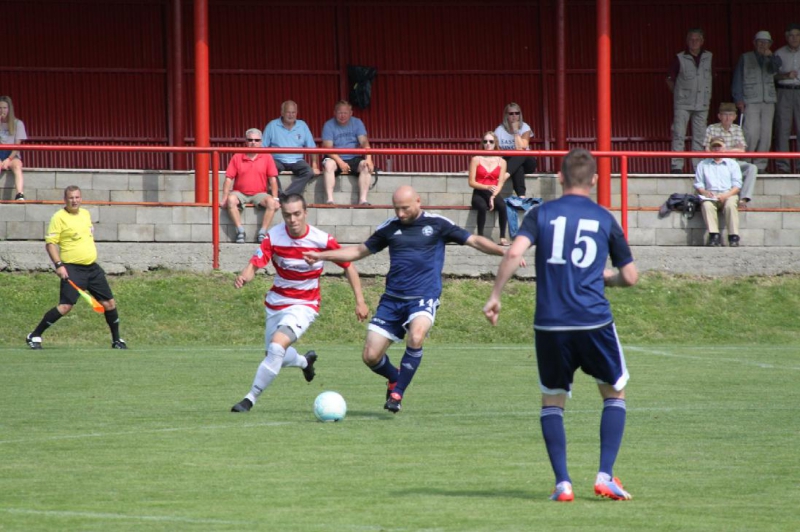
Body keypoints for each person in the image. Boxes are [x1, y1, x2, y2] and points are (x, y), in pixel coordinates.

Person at [483, 148, 638, 503]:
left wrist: (495, 295)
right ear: (594, 180)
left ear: (560, 177)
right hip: (594, 319)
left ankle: (563, 484)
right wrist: (609, 279)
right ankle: (605, 476)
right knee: (614, 393)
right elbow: (630, 276)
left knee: (552, 400)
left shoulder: (541, 213)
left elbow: (513, 253)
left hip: (551, 323)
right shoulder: (604, 218)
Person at [302, 185, 508, 414]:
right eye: (396, 208)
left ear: (418, 201)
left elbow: (475, 240)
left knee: (416, 335)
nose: (400, 213)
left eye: (405, 208)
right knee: (370, 356)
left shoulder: (438, 224)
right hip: (392, 300)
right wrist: (321, 256)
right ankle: (395, 378)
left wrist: (505, 252)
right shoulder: (389, 227)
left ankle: (397, 394)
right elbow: (358, 251)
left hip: (423, 296)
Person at [230, 194, 368, 413]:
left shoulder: (321, 240)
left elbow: (348, 266)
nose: (292, 220)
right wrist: (244, 276)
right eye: (287, 215)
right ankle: (305, 362)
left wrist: (360, 301)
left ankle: (250, 399)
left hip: (305, 304)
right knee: (274, 355)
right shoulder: (274, 237)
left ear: (305, 213)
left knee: (277, 346)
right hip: (276, 302)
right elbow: (254, 264)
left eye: (296, 214)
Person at [26, 186, 127, 350]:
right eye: (71, 198)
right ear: (65, 200)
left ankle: (117, 341)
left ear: (81, 198)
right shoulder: (59, 217)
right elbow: (50, 244)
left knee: (109, 304)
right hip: (72, 269)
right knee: (65, 306)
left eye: (77, 197)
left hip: (92, 269)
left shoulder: (85, 214)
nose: (74, 201)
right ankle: (35, 335)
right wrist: (59, 265)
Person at [732, 31, 781, 172]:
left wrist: (770, 56)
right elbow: (737, 79)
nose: (763, 45)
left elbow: (776, 67)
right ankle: (745, 162)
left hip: (768, 101)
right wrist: (738, 99)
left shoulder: (773, 58)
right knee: (751, 132)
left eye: (766, 42)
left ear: (770, 44)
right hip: (750, 100)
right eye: (760, 42)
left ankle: (760, 165)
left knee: (766, 134)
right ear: (754, 43)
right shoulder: (745, 57)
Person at [666, 29, 713, 174]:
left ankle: (698, 167)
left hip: (702, 103)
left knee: (700, 136)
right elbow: (669, 79)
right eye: (691, 39)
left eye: (697, 39)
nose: (694, 42)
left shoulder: (709, 57)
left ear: (702, 41)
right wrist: (679, 94)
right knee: (679, 134)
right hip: (683, 104)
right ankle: (677, 166)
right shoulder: (680, 57)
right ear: (687, 41)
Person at [223, 128, 280, 243]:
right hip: (240, 193)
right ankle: (240, 231)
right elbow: (228, 179)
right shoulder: (237, 156)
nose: (253, 142)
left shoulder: (267, 156)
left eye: (256, 140)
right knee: (231, 200)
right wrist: (224, 198)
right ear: (246, 141)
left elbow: (273, 180)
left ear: (261, 142)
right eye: (250, 140)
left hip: (260, 194)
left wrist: (275, 198)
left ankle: (262, 233)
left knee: (271, 203)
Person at [702, 102, 757, 208]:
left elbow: (742, 151)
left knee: (752, 168)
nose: (728, 118)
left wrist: (722, 150)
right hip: (716, 162)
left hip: (733, 163)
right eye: (725, 115)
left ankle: (743, 199)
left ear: (735, 117)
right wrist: (733, 150)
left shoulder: (737, 129)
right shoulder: (711, 128)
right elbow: (707, 150)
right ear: (719, 116)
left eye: (731, 115)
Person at [262, 100, 321, 197]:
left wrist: (314, 165)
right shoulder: (272, 125)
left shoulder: (302, 125)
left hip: (297, 160)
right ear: (282, 113)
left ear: (297, 113)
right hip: (277, 160)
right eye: (288, 112)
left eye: (293, 112)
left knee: (309, 172)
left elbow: (312, 147)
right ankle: (279, 193)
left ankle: (286, 195)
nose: (291, 115)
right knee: (268, 169)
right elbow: (262, 147)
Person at [321, 100, 374, 205]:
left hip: (354, 158)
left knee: (366, 166)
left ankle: (363, 200)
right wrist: (340, 162)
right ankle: (330, 200)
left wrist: (369, 159)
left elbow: (364, 142)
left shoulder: (357, 123)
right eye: (340, 113)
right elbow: (327, 148)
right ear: (335, 113)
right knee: (328, 164)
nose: (342, 116)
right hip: (335, 158)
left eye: (345, 113)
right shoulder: (329, 125)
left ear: (351, 113)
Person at [694, 137, 743, 247]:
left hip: (728, 193)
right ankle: (714, 235)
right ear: (710, 149)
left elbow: (737, 185)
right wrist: (705, 192)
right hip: (711, 194)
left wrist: (726, 195)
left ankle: (733, 236)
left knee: (730, 205)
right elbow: (698, 184)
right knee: (706, 205)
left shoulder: (732, 164)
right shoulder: (703, 164)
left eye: (719, 147)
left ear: (724, 148)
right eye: (714, 147)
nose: (717, 149)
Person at [468, 131, 509, 245]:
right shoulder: (476, 159)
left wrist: (493, 196)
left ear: (495, 143)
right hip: (479, 192)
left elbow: (500, 183)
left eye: (491, 141)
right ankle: (480, 236)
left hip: (493, 192)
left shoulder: (502, 161)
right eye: (485, 141)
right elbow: (471, 182)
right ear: (482, 143)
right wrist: (487, 187)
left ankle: (502, 236)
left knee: (502, 206)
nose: (488, 144)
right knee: (482, 206)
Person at [494, 102, 537, 197]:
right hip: (510, 163)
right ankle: (521, 196)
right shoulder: (499, 130)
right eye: (511, 113)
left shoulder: (525, 127)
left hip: (527, 161)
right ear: (506, 116)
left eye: (517, 113)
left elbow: (521, 148)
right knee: (518, 167)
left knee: (521, 154)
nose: (514, 116)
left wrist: (516, 131)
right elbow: (497, 152)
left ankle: (505, 175)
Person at [774, 23, 800, 174]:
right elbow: (772, 75)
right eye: (791, 35)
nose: (794, 38)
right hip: (784, 91)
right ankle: (783, 166)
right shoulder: (779, 53)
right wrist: (786, 75)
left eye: (797, 35)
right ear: (786, 37)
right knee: (782, 129)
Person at [0, 96, 28, 201]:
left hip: (12, 153)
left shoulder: (18, 123)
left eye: (5, 108)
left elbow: (17, 145)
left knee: (17, 166)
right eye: (0, 108)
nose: (2, 111)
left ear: (9, 109)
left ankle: (19, 194)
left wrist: (9, 159)